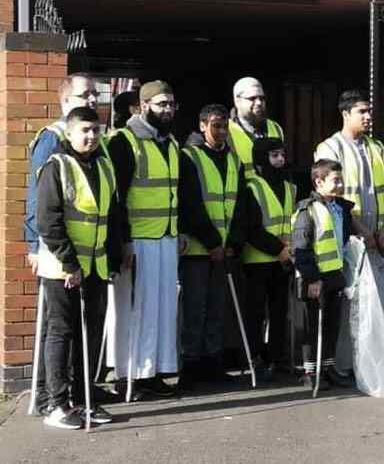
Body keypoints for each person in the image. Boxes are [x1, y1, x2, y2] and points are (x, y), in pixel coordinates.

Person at [35, 107, 123, 428]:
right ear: (69, 133)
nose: (90, 136)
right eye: (84, 130)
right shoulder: (55, 167)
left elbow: (111, 218)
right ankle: (57, 405)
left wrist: (112, 260)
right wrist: (70, 262)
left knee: (91, 334)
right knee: (61, 331)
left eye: (95, 131)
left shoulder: (104, 166)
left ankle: (85, 399)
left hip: (96, 266)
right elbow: (49, 221)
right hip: (63, 268)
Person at [25, 73, 102, 416]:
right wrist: (34, 244)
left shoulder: (96, 143)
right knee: (59, 328)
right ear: (65, 100)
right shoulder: (52, 140)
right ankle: (48, 398)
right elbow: (39, 202)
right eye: (84, 94)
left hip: (90, 257)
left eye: (94, 95)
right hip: (61, 256)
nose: (91, 100)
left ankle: (78, 396)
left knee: (79, 328)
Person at [177, 104, 268, 389]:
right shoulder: (189, 157)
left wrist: (233, 243)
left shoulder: (233, 160)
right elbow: (190, 205)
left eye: (224, 125)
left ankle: (213, 363)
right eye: (215, 125)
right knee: (195, 309)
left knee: (218, 308)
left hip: (225, 249)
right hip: (197, 249)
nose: (221, 131)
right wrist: (212, 242)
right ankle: (191, 367)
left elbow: (240, 206)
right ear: (202, 125)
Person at [106, 80, 184, 399]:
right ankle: (126, 375)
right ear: (143, 106)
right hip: (137, 241)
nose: (167, 110)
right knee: (134, 310)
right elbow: (116, 197)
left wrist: (179, 232)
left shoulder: (172, 143)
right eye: (161, 104)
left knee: (162, 309)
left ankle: (152, 372)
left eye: (171, 104)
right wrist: (123, 241)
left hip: (165, 237)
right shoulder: (124, 141)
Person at [292, 159, 359, 391]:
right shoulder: (307, 209)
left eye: (341, 179)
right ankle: (310, 370)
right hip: (314, 278)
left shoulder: (340, 208)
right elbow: (301, 248)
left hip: (334, 275)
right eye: (335, 180)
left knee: (331, 324)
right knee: (312, 326)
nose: (340, 184)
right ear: (318, 182)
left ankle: (328, 366)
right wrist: (311, 278)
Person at [314, 89, 384, 253]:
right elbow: (331, 197)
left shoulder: (377, 148)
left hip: (379, 241)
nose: (368, 117)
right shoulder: (330, 148)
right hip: (348, 239)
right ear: (345, 114)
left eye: (369, 111)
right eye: (361, 112)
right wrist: (363, 232)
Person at [241, 137, 296, 380]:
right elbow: (251, 228)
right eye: (274, 155)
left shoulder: (289, 187)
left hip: (282, 261)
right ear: (262, 158)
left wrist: (288, 250)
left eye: (282, 155)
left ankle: (277, 357)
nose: (280, 160)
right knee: (255, 312)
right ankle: (254, 358)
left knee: (279, 311)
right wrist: (279, 249)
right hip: (257, 260)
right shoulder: (252, 187)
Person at [229, 77, 286, 179]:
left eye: (262, 98)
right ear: (237, 101)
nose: (259, 103)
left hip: (270, 193)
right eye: (252, 98)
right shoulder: (226, 131)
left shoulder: (276, 128)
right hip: (242, 193)